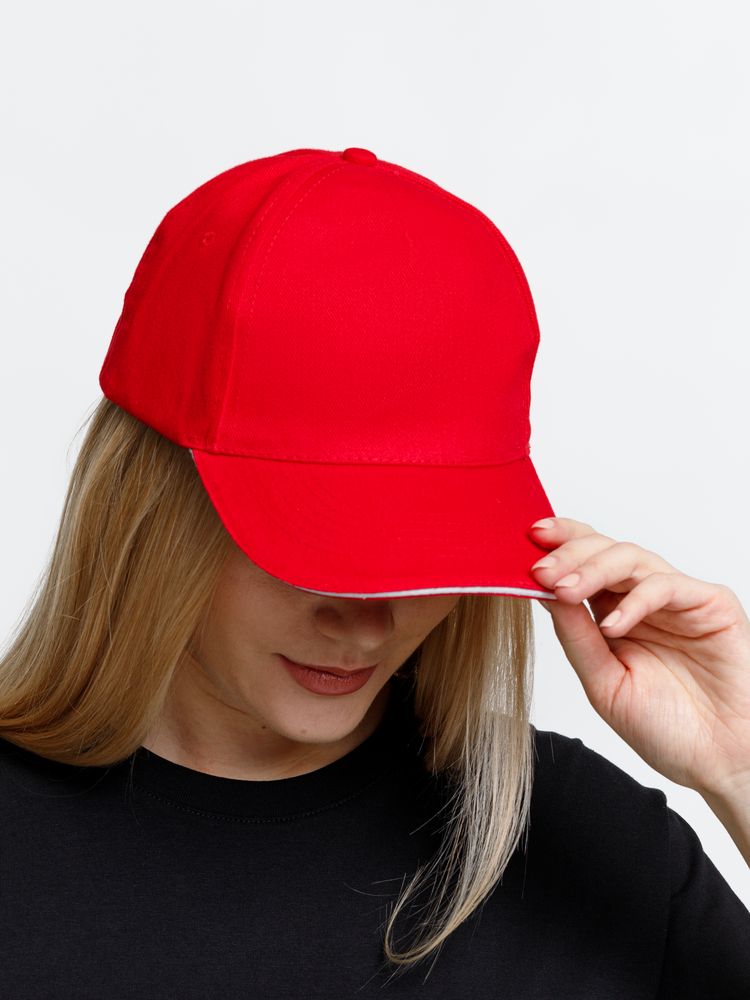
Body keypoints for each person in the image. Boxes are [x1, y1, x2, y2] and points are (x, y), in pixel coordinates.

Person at [0, 146, 748, 998]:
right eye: (310, 544)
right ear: (152, 508)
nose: (367, 620)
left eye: (425, 551)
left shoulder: (586, 841)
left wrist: (740, 770)